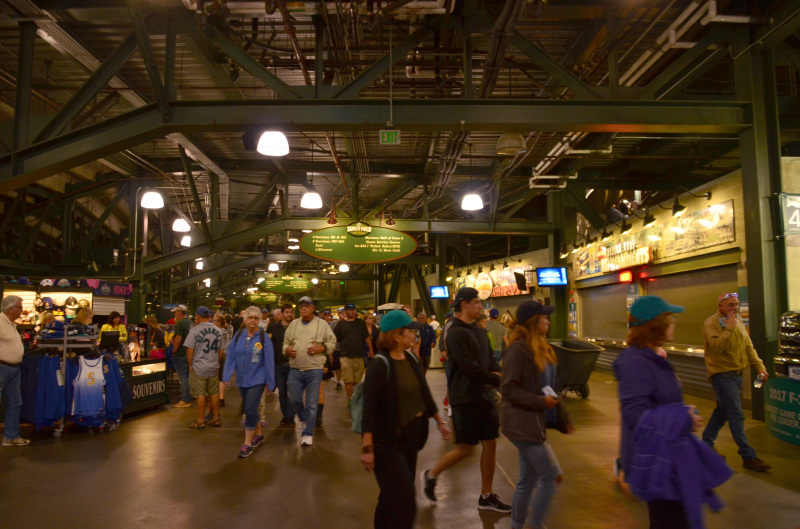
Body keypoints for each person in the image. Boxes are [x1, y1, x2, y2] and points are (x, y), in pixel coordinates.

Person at [615, 296, 730, 529]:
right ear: (654, 326)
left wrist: (683, 414)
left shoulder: (651, 359)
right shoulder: (635, 362)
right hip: (658, 464)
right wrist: (681, 418)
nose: (674, 323)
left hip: (669, 460)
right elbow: (634, 416)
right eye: (669, 319)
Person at [420, 287, 511, 513]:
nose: (481, 306)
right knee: (466, 449)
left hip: (484, 397)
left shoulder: (480, 330)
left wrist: (500, 373)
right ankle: (431, 476)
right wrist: (494, 378)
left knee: (490, 443)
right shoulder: (456, 333)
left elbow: (488, 358)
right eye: (476, 302)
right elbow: (467, 366)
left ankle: (486, 495)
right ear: (464, 305)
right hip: (465, 398)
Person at [361, 310, 451, 529]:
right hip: (387, 443)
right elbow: (369, 409)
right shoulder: (380, 365)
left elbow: (424, 393)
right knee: (406, 500)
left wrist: (439, 421)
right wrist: (367, 447)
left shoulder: (410, 358)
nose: (414, 335)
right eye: (410, 331)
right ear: (396, 336)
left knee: (392, 494)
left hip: (411, 439)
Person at [501, 301, 570, 529]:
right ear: (534, 321)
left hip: (532, 423)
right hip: (523, 425)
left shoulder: (539, 347)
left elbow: (548, 387)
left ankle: (516, 526)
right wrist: (542, 402)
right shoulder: (518, 349)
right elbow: (508, 389)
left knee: (527, 480)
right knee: (550, 478)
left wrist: (562, 415)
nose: (548, 321)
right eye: (545, 318)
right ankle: (535, 524)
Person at [701, 292, 771, 472]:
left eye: (736, 304)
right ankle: (748, 456)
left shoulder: (737, 321)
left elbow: (748, 345)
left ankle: (705, 444)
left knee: (722, 412)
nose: (734, 308)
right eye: (730, 305)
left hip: (737, 374)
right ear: (721, 306)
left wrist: (760, 367)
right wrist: (729, 329)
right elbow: (716, 348)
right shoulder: (711, 324)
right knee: (736, 414)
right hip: (722, 375)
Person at [283, 296, 336, 446]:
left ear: (313, 308)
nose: (304, 308)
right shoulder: (293, 324)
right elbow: (285, 343)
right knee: (294, 400)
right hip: (295, 369)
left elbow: (332, 342)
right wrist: (287, 350)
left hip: (315, 369)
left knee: (312, 403)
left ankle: (307, 433)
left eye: (307, 305)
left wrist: (323, 348)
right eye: (301, 306)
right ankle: (305, 418)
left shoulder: (322, 324)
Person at [223, 306, 275, 458]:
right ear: (244, 320)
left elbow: (269, 361)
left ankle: (247, 443)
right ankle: (258, 434)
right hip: (242, 379)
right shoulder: (239, 335)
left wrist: (270, 383)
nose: (253, 321)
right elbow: (231, 355)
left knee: (250, 409)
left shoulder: (264, 337)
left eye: (256, 318)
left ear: (259, 320)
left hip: (257, 379)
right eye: (250, 318)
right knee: (249, 407)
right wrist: (226, 376)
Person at [184, 306, 223, 429]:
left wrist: (190, 365)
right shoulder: (218, 331)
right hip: (213, 366)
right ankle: (216, 418)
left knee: (201, 394)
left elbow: (190, 350)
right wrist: (216, 362)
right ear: (209, 316)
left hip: (199, 366)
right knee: (214, 393)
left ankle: (200, 420)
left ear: (198, 316)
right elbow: (220, 351)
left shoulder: (194, 331)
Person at [0, 296, 30, 446]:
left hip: (14, 369)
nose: (21, 310)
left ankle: (11, 436)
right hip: (2, 368)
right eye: (19, 307)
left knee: (15, 403)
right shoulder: (0, 322)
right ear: (10, 308)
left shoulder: (12, 324)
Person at [334, 303, 374, 401]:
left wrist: (371, 350)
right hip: (345, 356)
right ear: (345, 311)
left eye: (354, 310)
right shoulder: (340, 324)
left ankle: (354, 398)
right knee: (348, 380)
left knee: (357, 380)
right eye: (350, 310)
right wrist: (331, 354)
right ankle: (350, 401)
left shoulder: (360, 323)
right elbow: (335, 340)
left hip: (358, 356)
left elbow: (366, 337)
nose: (352, 312)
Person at [268, 303, 295, 427]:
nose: (289, 314)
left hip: (293, 364)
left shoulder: (297, 327)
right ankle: (287, 416)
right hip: (278, 365)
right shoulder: (273, 328)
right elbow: (268, 347)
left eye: (291, 312)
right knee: (282, 391)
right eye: (287, 312)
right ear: (282, 314)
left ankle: (291, 414)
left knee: (293, 391)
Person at [170, 304, 193, 408]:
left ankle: (185, 399)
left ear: (180, 312)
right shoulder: (190, 323)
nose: (174, 314)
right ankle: (188, 395)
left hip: (180, 353)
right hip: (189, 353)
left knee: (182, 377)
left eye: (175, 312)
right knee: (187, 376)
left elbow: (178, 338)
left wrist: (173, 351)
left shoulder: (180, 324)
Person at [212, 313, 230, 408]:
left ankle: (217, 399)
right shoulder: (225, 331)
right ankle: (221, 399)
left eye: (214, 320)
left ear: (219, 322)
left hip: (219, 356)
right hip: (224, 355)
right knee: (221, 378)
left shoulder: (217, 332)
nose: (212, 322)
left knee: (218, 378)